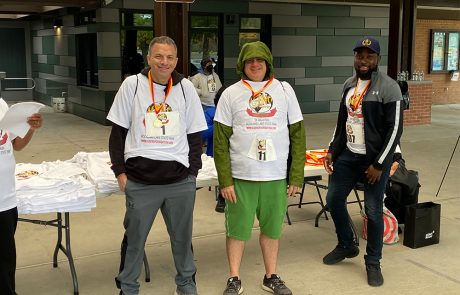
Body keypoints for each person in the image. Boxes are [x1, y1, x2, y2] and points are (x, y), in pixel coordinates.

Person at [107, 36, 207, 295]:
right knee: (135, 242)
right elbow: (118, 131)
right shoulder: (133, 85)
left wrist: (192, 173)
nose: (164, 62)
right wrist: (120, 171)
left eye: (170, 57)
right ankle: (128, 288)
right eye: (159, 56)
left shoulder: (185, 88)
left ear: (176, 60)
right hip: (140, 182)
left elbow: (196, 135)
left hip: (179, 182)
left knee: (182, 240)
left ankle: (186, 285)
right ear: (149, 58)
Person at [214, 41, 306, 295]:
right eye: (250, 60)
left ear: (268, 63)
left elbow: (298, 134)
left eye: (260, 60)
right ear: (242, 65)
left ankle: (271, 275)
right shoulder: (231, 93)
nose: (255, 65)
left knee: (272, 229)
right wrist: (225, 180)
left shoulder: (284, 90)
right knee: (237, 230)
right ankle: (234, 277)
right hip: (241, 176)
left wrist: (296, 175)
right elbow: (219, 140)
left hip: (275, 175)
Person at [322, 36, 404, 287]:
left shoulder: (389, 87)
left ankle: (373, 262)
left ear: (378, 59)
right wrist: (332, 150)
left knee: (373, 211)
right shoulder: (349, 84)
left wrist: (379, 164)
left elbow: (395, 129)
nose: (364, 60)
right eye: (360, 55)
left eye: (369, 56)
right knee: (334, 199)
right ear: (355, 58)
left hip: (373, 161)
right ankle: (347, 244)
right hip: (348, 156)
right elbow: (342, 122)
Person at [0, 98, 42, 295]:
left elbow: (16, 145)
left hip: (6, 199)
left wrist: (31, 128)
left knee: (6, 261)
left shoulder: (1, 105)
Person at [200, 86, 226, 213]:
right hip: (215, 153)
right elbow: (203, 133)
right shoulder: (211, 112)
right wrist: (220, 123)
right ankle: (222, 197)